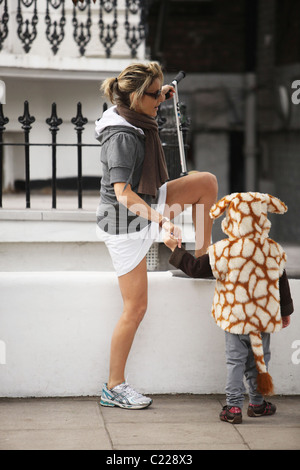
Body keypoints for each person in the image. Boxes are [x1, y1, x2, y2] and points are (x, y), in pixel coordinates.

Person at [95, 62, 218, 409]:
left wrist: (160, 93)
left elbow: (139, 191)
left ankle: (201, 260)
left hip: (148, 198)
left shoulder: (133, 114)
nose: (160, 102)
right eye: (155, 96)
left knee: (205, 182)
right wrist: (162, 222)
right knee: (135, 307)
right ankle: (113, 386)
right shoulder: (121, 136)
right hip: (125, 223)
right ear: (136, 97)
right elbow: (123, 194)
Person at [164, 192, 294, 423]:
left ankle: (233, 408)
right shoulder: (273, 249)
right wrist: (285, 311)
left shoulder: (223, 250)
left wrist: (175, 250)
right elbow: (281, 282)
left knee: (235, 362)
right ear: (261, 217)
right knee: (259, 359)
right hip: (262, 319)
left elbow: (195, 268)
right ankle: (257, 403)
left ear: (231, 218)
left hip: (235, 319)